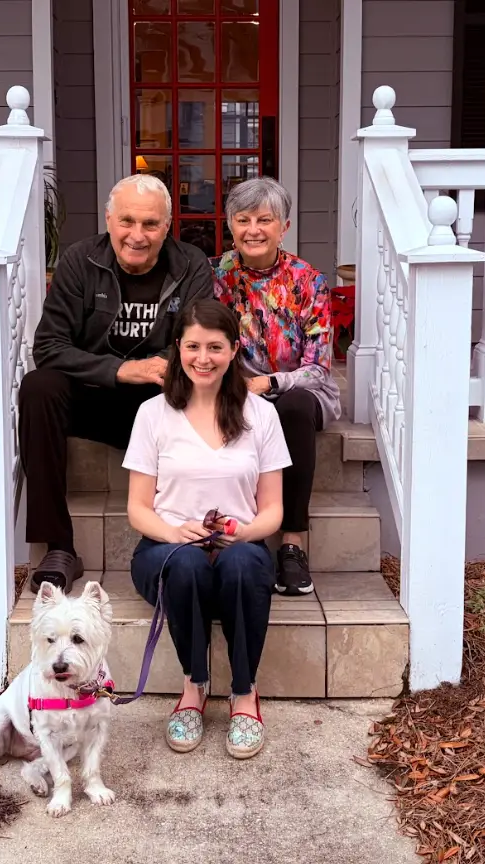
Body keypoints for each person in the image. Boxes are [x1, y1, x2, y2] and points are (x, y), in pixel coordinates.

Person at [20, 174, 215, 593]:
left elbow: (198, 341)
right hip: (92, 398)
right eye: (127, 221)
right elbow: (49, 346)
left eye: (150, 224)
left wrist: (161, 366)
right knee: (39, 387)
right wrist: (119, 370)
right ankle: (59, 547)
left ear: (167, 226)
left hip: (160, 404)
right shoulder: (80, 261)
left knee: (204, 392)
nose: (137, 235)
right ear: (109, 220)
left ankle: (192, 537)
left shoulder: (191, 264)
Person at [123, 300, 290, 759]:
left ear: (234, 349)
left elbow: (274, 509)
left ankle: (243, 694)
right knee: (190, 565)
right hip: (168, 551)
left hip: (240, 547)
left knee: (240, 563)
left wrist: (247, 531)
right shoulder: (153, 415)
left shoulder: (261, 416)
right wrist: (175, 533)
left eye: (215, 347)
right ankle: (193, 689)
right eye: (193, 346)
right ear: (177, 349)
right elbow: (138, 509)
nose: (203, 358)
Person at [212, 176, 341, 597]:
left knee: (294, 407)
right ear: (230, 224)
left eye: (264, 219)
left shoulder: (309, 280)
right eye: (243, 219)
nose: (253, 229)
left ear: (283, 227)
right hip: (239, 392)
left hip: (301, 394)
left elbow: (318, 368)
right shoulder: (219, 276)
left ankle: (291, 542)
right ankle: (222, 538)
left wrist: (269, 381)